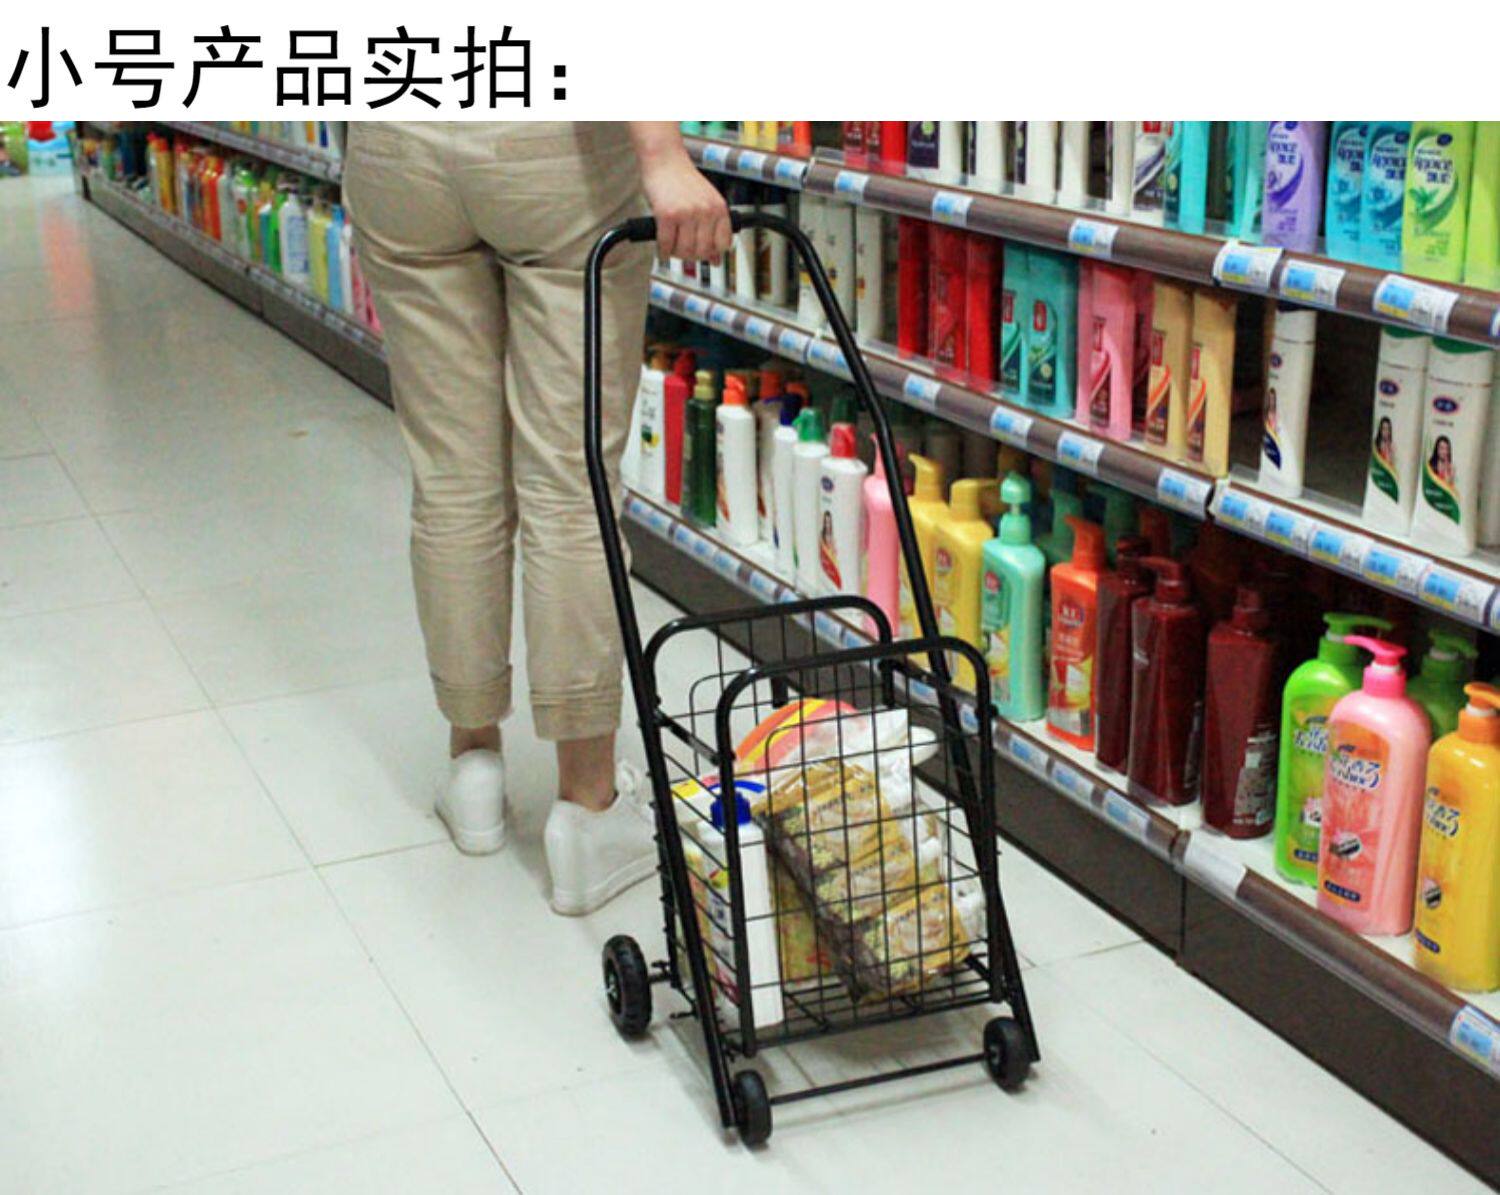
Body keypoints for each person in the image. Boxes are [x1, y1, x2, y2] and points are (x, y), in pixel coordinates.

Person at [343, 123, 731, 915]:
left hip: (400, 145)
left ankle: (473, 768)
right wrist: (661, 153)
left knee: (453, 480)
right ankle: (587, 810)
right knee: (569, 487)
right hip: (553, 154)